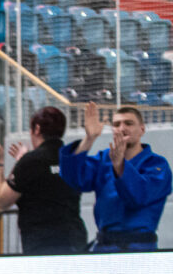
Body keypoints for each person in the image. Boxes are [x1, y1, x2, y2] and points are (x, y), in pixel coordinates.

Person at [59, 102, 172, 252]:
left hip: (140, 248)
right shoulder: (104, 159)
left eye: (129, 123)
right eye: (116, 124)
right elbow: (73, 178)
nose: (122, 128)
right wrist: (89, 139)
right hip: (105, 247)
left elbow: (137, 198)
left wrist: (119, 166)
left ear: (142, 129)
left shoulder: (157, 166)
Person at [0, 107, 87, 255]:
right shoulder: (72, 157)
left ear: (37, 129)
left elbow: (2, 199)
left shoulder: (31, 161)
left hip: (42, 244)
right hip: (74, 240)